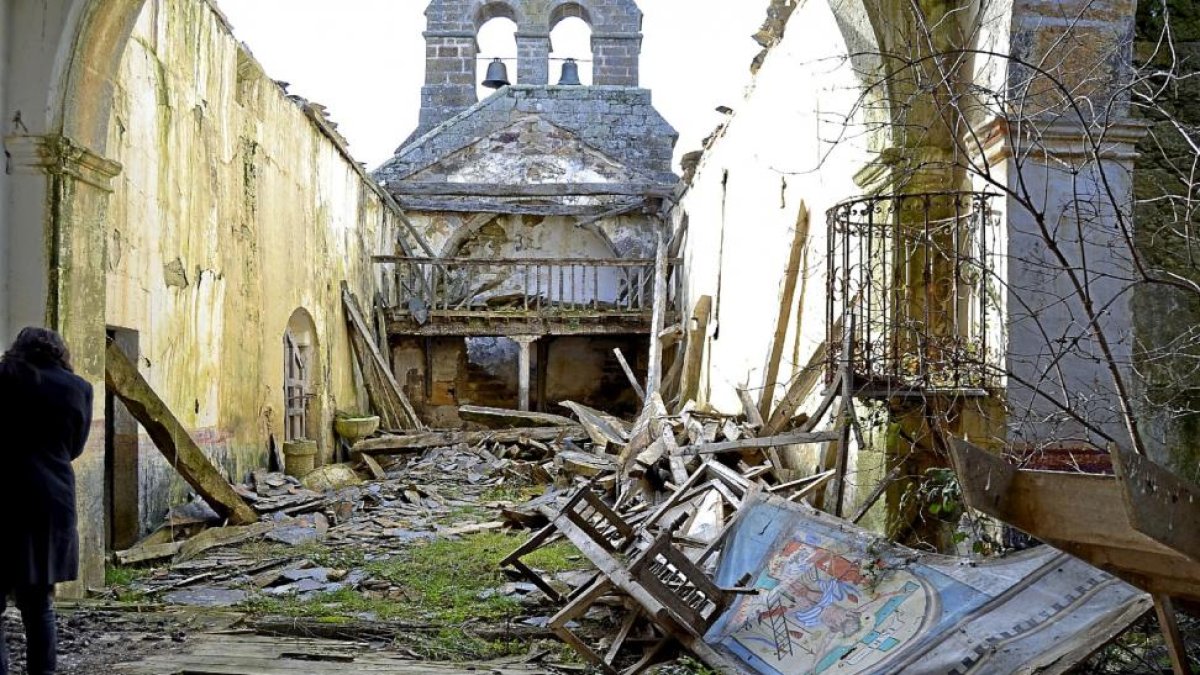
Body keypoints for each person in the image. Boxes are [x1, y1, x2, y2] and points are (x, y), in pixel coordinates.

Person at [0, 327, 93, 675]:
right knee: (39, 604)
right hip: (51, 500)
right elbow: (75, 448)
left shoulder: (3, 378)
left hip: (3, 497)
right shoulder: (79, 389)